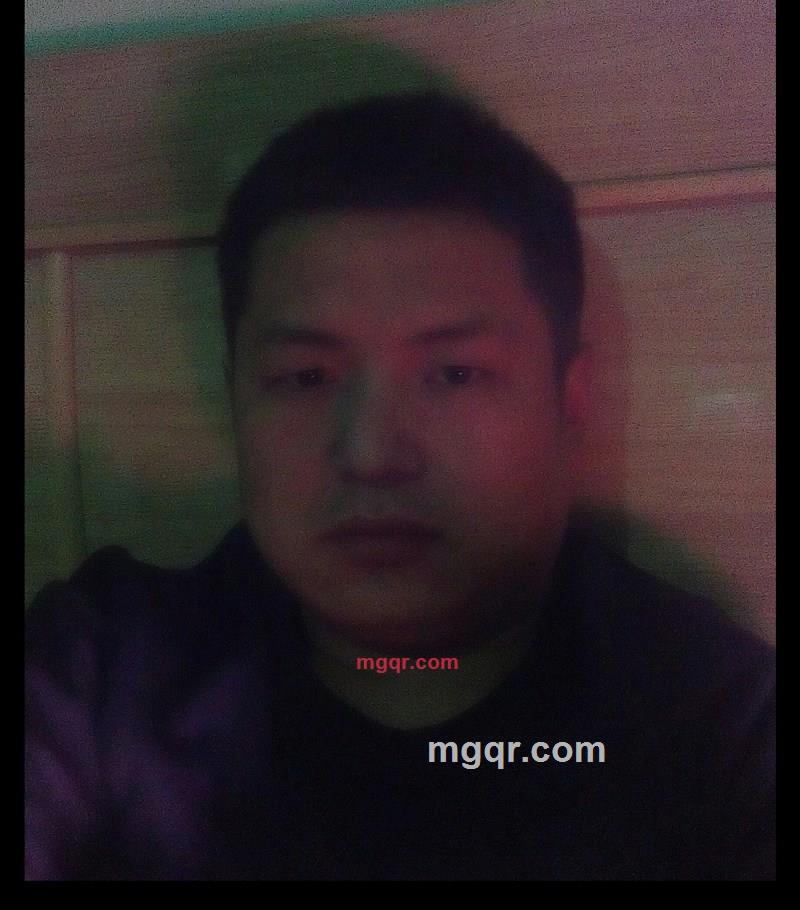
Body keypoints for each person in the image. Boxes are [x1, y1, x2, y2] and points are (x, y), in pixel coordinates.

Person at [25, 91, 775, 881]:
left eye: (455, 374)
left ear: (571, 400)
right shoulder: (101, 676)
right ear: (236, 395)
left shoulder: (716, 729)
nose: (372, 453)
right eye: (305, 377)